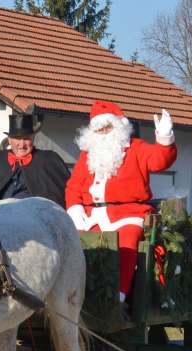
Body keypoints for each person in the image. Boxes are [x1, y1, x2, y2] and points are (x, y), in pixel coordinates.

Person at [65, 100, 177, 303]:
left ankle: (118, 297)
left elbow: (160, 160)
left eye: (108, 127)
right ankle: (76, 295)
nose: (104, 133)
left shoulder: (136, 148)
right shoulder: (88, 156)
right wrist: (75, 208)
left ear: (119, 127)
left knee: (127, 243)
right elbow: (73, 187)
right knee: (77, 246)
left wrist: (164, 138)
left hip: (128, 214)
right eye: (99, 129)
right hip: (91, 216)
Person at [0, 113, 71, 209]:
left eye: (26, 139)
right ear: (9, 140)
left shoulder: (48, 160)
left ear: (33, 138)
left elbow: (65, 193)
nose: (22, 144)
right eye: (17, 139)